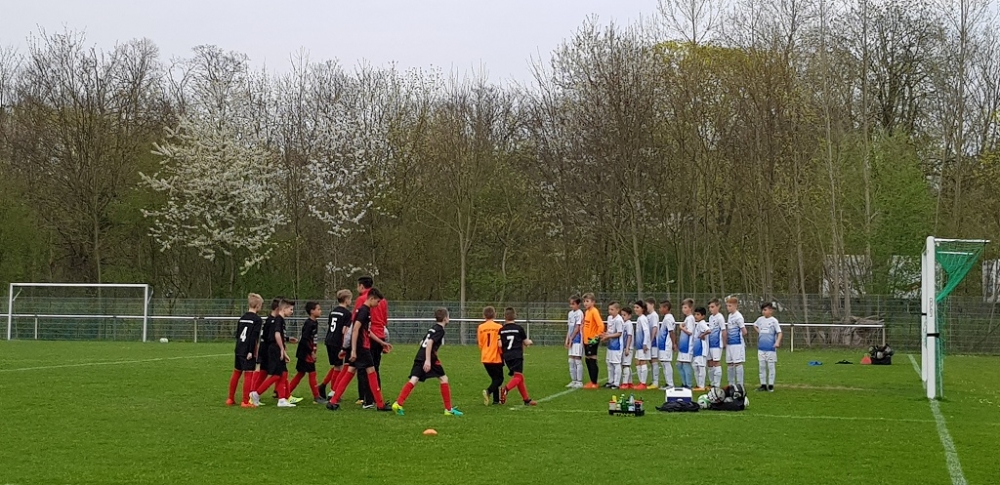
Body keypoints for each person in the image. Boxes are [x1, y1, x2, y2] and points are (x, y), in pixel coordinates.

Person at [326, 288, 392, 411]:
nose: (378, 304)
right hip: (362, 348)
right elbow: (355, 329)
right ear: (371, 298)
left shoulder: (364, 310)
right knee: (372, 373)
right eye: (377, 301)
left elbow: (367, 331)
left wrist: (382, 342)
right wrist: (354, 350)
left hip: (359, 346)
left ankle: (333, 401)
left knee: (350, 372)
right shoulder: (363, 311)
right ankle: (380, 404)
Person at [391, 308, 464, 416]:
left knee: (414, 379)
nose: (449, 318)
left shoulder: (432, 328)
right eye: (448, 316)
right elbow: (429, 343)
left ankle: (398, 403)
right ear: (445, 318)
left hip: (420, 355)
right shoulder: (440, 330)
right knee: (444, 379)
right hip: (428, 358)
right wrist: (428, 361)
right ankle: (448, 409)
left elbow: (422, 342)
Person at [251, 299, 299, 408]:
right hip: (274, 349)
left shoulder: (279, 319)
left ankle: (282, 399)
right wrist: (282, 349)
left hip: (276, 348)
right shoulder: (278, 320)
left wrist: (284, 345)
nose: (292, 312)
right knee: (276, 375)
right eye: (291, 309)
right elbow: (276, 335)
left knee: (283, 374)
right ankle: (256, 393)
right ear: (283, 309)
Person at [353, 276, 389, 408]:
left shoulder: (362, 300)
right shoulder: (383, 300)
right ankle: (376, 397)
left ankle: (365, 398)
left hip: (367, 337)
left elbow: (355, 321)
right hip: (379, 335)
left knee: (362, 369)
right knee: (374, 368)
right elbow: (385, 319)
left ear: (361, 286)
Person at [228, 293, 263, 407]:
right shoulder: (257, 320)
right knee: (248, 375)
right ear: (257, 306)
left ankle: (230, 399)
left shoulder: (242, 318)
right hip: (248, 350)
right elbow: (253, 337)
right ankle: (245, 401)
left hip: (239, 348)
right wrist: (251, 351)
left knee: (236, 373)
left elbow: (238, 335)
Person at [499, 307, 537, 406]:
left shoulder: (501, 330)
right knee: (518, 376)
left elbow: (499, 344)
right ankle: (505, 389)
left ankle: (526, 400)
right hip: (517, 355)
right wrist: (530, 342)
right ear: (515, 316)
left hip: (507, 356)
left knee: (519, 377)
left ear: (505, 317)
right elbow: (526, 342)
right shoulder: (519, 329)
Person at [319, 290, 352, 399]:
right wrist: (346, 345)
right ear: (346, 300)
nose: (351, 301)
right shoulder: (347, 314)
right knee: (339, 367)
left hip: (329, 339)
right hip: (338, 341)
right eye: (350, 299)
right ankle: (333, 391)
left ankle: (324, 387)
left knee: (336, 365)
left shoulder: (333, 312)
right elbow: (344, 330)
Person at [288, 301, 323, 404]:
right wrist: (311, 352)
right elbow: (305, 340)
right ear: (312, 311)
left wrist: (314, 350)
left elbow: (312, 339)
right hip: (305, 353)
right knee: (312, 373)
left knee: (301, 373)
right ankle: (317, 397)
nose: (320, 311)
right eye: (318, 309)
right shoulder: (309, 324)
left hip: (306, 352)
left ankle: (286, 392)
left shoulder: (314, 322)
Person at [477, 306, 504, 406]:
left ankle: (496, 401)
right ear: (494, 315)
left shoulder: (481, 327)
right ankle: (488, 391)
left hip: (485, 356)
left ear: (484, 315)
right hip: (496, 357)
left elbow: (480, 343)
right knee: (499, 379)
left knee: (494, 379)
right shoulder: (499, 327)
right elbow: (500, 342)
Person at [753, 302, 782, 392]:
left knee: (771, 366)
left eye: (765, 310)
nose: (763, 312)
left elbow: (779, 333)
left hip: (770, 348)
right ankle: (763, 385)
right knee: (761, 367)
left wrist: (777, 342)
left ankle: (771, 385)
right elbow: (754, 325)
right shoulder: (760, 319)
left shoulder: (774, 321)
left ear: (770, 310)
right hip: (761, 348)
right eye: (762, 310)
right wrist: (760, 332)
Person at [581, 293, 604, 389]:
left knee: (592, 359)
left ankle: (594, 382)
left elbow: (601, 325)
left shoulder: (594, 311)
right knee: (587, 359)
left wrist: (596, 337)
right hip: (586, 340)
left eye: (587, 301)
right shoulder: (587, 312)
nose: (585, 303)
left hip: (592, 340)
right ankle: (592, 381)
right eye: (584, 301)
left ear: (593, 302)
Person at [724, 297, 748, 386]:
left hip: (737, 344)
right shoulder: (730, 316)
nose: (728, 308)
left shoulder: (738, 317)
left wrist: (737, 336)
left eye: (730, 306)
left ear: (735, 306)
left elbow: (744, 331)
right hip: (730, 344)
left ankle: (740, 384)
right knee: (730, 363)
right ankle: (731, 384)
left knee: (737, 363)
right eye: (727, 306)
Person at [601, 302, 624, 389]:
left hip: (617, 345)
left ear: (617, 310)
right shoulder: (609, 318)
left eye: (612, 309)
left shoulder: (619, 320)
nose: (610, 311)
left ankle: (616, 383)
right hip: (610, 344)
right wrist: (604, 335)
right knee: (609, 362)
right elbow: (609, 330)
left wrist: (608, 336)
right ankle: (610, 381)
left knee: (616, 363)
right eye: (609, 309)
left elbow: (619, 333)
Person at [564, 295, 585, 389]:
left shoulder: (579, 313)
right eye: (570, 304)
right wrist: (567, 339)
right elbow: (570, 328)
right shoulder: (570, 314)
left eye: (573, 304)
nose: (571, 306)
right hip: (571, 339)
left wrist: (572, 339)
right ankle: (573, 380)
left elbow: (577, 327)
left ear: (578, 304)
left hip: (577, 339)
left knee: (577, 359)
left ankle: (579, 381)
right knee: (571, 360)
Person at [675, 299, 696, 389]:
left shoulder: (690, 318)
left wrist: (681, 327)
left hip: (688, 346)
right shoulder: (687, 318)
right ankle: (684, 383)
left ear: (690, 308)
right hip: (683, 347)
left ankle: (688, 384)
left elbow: (690, 332)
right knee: (679, 364)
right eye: (683, 307)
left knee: (686, 364)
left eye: (685, 307)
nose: (683, 309)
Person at [656, 300, 676, 389]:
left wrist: (674, 344)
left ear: (666, 308)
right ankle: (668, 383)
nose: (659, 309)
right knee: (664, 363)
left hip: (666, 345)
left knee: (666, 363)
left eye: (661, 308)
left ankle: (670, 384)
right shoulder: (666, 318)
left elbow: (671, 332)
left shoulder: (668, 319)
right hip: (663, 345)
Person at [632, 301, 651, 390]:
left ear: (642, 309)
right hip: (639, 345)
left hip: (643, 345)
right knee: (637, 362)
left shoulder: (643, 318)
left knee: (642, 361)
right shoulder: (640, 318)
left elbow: (646, 331)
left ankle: (643, 383)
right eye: (635, 307)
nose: (635, 309)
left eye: (637, 307)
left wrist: (645, 343)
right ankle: (641, 382)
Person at [707, 299, 725, 388]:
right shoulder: (710, 317)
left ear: (718, 307)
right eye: (709, 307)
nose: (711, 309)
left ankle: (717, 385)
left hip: (717, 344)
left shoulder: (720, 317)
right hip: (710, 343)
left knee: (716, 362)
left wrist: (724, 343)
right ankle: (712, 383)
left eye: (712, 307)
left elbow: (723, 330)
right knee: (709, 363)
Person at [692, 306, 711, 391]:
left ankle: (701, 386)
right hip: (697, 349)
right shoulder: (699, 324)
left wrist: (702, 335)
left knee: (701, 367)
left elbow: (709, 330)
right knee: (695, 367)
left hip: (701, 349)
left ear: (703, 316)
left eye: (698, 314)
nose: (696, 316)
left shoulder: (702, 323)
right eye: (695, 314)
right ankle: (698, 384)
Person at [644, 298, 660, 389]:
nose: (646, 307)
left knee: (654, 360)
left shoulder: (654, 315)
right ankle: (653, 381)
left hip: (653, 342)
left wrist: (651, 339)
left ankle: (655, 382)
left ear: (652, 305)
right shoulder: (648, 316)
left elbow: (654, 328)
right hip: (650, 342)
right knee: (651, 361)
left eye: (647, 305)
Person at [618, 306, 635, 389]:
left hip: (628, 348)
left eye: (624, 315)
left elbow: (629, 336)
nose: (622, 316)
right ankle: (630, 382)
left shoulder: (629, 324)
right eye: (622, 315)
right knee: (626, 365)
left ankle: (625, 383)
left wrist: (627, 347)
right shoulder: (624, 323)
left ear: (629, 316)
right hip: (624, 347)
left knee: (626, 365)